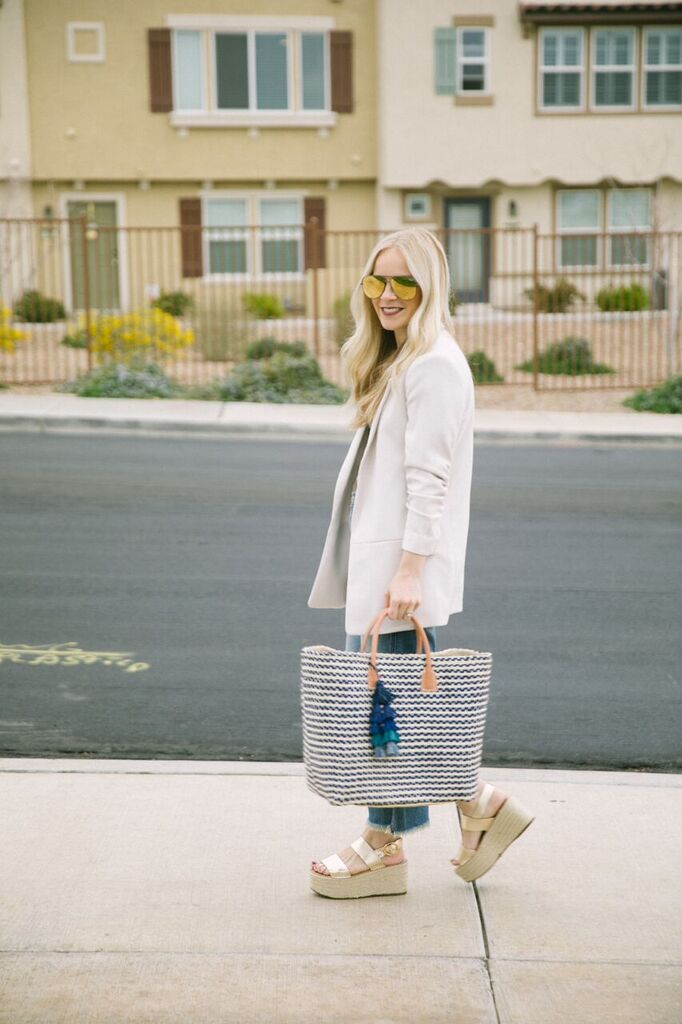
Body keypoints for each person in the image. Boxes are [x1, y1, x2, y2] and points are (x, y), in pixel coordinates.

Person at [306, 226, 534, 898]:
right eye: (377, 280)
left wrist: (408, 571)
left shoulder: (434, 363)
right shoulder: (405, 359)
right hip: (382, 569)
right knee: (391, 713)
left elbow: (429, 479)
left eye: (403, 280)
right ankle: (475, 807)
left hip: (397, 573)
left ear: (429, 286)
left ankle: (387, 845)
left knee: (387, 713)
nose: (386, 294)